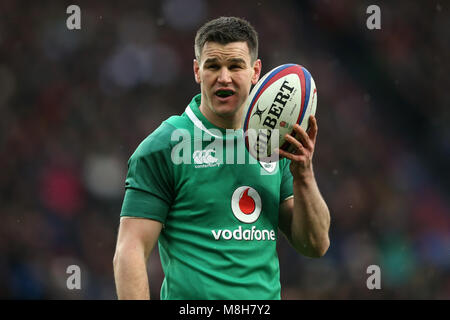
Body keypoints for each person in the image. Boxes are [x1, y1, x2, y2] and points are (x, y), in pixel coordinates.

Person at [113, 16, 330, 300]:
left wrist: (304, 173)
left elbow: (314, 245)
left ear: (255, 71)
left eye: (235, 66)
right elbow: (130, 251)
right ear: (196, 71)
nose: (223, 77)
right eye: (213, 66)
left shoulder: (276, 143)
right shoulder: (163, 146)